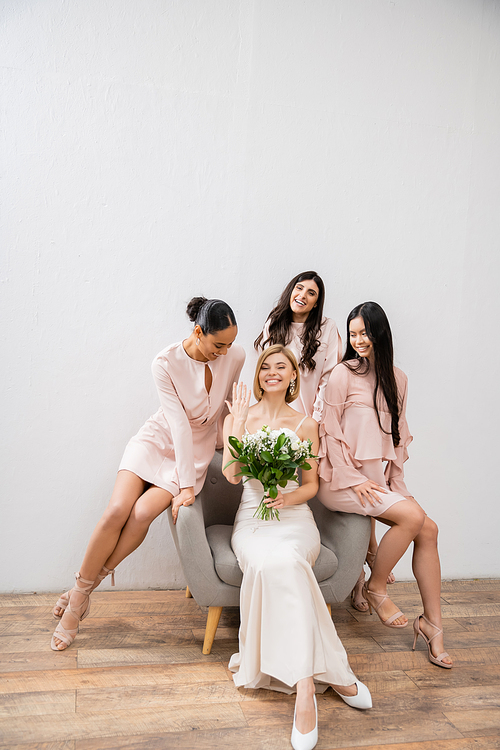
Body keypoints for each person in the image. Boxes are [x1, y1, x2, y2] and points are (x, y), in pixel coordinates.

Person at [51, 297, 245, 652]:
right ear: (198, 332)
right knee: (116, 511)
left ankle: (80, 595)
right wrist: (186, 486)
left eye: (230, 344)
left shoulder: (235, 356)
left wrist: (226, 445)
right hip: (158, 440)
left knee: (141, 514)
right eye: (219, 344)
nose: (225, 352)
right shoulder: (165, 362)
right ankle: (80, 593)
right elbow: (177, 425)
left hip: (196, 451)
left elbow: (228, 409)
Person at [223, 345, 372, 750]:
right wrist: (236, 424)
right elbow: (233, 477)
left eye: (282, 367)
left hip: (293, 522)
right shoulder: (239, 417)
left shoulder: (306, 424)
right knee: (275, 564)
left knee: (288, 560)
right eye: (266, 367)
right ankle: (333, 675)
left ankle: (305, 693)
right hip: (253, 520)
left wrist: (287, 499)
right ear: (258, 375)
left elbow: (310, 486)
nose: (273, 372)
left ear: (294, 377)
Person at [318, 302, 452, 668]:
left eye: (365, 332)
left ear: (380, 333)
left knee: (429, 528)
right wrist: (351, 476)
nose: (358, 340)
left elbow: (396, 440)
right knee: (412, 518)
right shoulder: (341, 374)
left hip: (376, 482)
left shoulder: (399, 379)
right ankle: (376, 588)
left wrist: (397, 486)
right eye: (353, 333)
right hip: (341, 481)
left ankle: (433, 626)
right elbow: (328, 432)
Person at [254, 271, 342, 423]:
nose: (302, 295)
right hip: (277, 419)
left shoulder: (327, 328)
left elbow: (329, 378)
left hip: (312, 418)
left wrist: (316, 419)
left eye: (311, 293)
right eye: (299, 288)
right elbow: (268, 376)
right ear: (291, 291)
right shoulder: (273, 325)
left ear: (316, 303)